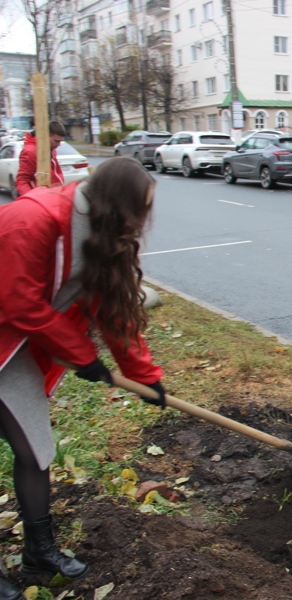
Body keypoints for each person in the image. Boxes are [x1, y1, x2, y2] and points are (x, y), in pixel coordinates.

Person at [0, 157, 166, 599]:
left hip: (12, 351)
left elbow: (112, 309)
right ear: (117, 203)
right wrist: (81, 356)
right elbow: (20, 302)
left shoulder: (99, 232)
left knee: (36, 451)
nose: (142, 222)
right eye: (140, 210)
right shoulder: (30, 219)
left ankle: (39, 552)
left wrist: (145, 377)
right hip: (8, 330)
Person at [15, 121, 67, 198]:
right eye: (56, 141)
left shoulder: (50, 148)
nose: (59, 145)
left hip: (52, 195)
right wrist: (32, 200)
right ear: (45, 137)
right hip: (39, 198)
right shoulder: (30, 151)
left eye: (60, 141)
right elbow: (22, 180)